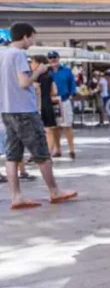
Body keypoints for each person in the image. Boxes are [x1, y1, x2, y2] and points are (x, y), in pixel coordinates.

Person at [0, 23, 77, 209]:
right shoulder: (18, 55)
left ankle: (16, 196)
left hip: (6, 109)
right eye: (32, 37)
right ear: (25, 36)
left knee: (12, 155)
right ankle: (54, 191)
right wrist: (39, 72)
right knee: (41, 153)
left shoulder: (2, 53)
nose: (33, 41)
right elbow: (24, 82)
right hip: (24, 109)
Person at [47, 52, 76, 158]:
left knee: (67, 126)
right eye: (50, 57)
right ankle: (57, 149)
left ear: (58, 58)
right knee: (54, 127)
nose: (52, 59)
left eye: (54, 57)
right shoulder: (46, 71)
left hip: (64, 99)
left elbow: (72, 83)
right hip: (51, 101)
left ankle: (71, 149)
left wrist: (71, 95)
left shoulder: (67, 71)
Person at [31, 55, 59, 155]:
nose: (31, 65)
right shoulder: (49, 76)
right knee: (48, 129)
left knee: (38, 131)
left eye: (33, 62)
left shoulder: (34, 77)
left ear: (39, 64)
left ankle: (38, 153)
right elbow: (54, 91)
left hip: (37, 105)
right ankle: (48, 152)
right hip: (47, 103)